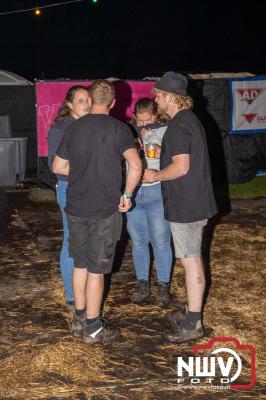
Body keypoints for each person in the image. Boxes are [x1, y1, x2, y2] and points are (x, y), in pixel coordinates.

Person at [52, 79, 142, 344]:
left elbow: (58, 166)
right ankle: (93, 328)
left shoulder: (74, 128)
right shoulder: (119, 129)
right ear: (113, 103)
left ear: (89, 101)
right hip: (104, 210)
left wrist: (81, 172)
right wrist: (126, 196)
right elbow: (136, 166)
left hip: (76, 207)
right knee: (96, 269)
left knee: (79, 264)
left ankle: (79, 319)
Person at [143, 72, 217, 343]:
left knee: (190, 259)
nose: (156, 98)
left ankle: (193, 322)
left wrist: (154, 176)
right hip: (193, 201)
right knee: (191, 257)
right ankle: (190, 311)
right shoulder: (188, 120)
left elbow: (181, 166)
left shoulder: (178, 126)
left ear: (172, 97)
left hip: (187, 204)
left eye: (159, 94)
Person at [47, 85, 90, 313]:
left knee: (90, 241)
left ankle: (87, 294)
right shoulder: (60, 129)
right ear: (70, 104)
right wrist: (87, 171)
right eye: (81, 100)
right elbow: (55, 165)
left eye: (88, 99)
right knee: (71, 240)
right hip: (68, 188)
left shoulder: (92, 124)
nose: (86, 103)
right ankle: (72, 298)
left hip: (92, 190)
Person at [127, 98, 173, 307]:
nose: (144, 123)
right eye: (140, 119)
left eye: (149, 119)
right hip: (135, 192)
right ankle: (142, 283)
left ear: (155, 115)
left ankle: (163, 286)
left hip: (156, 191)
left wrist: (151, 136)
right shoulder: (128, 131)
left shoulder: (166, 129)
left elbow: (173, 157)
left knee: (161, 241)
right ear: (135, 116)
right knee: (138, 241)